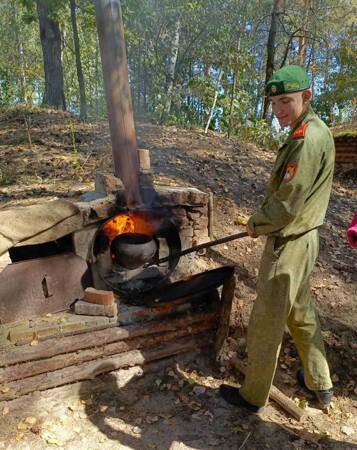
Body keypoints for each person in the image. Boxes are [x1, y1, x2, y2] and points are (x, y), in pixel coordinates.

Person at [220, 65, 335, 413]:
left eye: (285, 100)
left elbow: (288, 202)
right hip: (301, 240)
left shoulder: (308, 139)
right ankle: (320, 383)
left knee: (266, 321)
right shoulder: (307, 131)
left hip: (291, 242)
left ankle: (252, 396)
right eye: (273, 103)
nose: (278, 110)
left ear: (307, 96)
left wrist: (257, 223)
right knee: (301, 315)